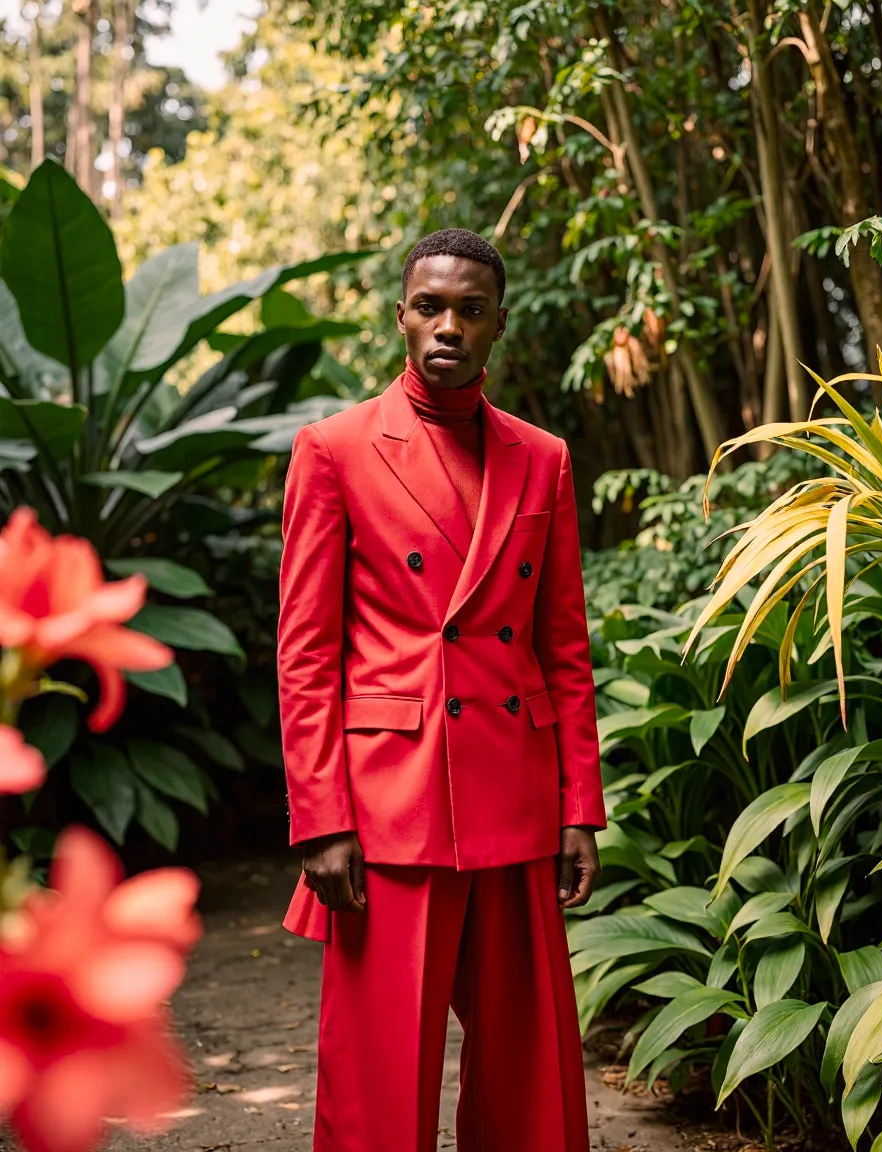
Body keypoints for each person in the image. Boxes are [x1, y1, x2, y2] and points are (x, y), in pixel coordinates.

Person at [277, 228, 605, 1152]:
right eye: (430, 306)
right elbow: (305, 654)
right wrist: (321, 820)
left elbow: (563, 646)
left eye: (470, 309)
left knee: (529, 1074)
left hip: (516, 792)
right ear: (401, 317)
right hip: (391, 803)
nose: (448, 326)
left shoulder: (542, 457)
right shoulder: (334, 449)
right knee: (380, 1074)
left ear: (499, 323)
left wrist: (580, 806)